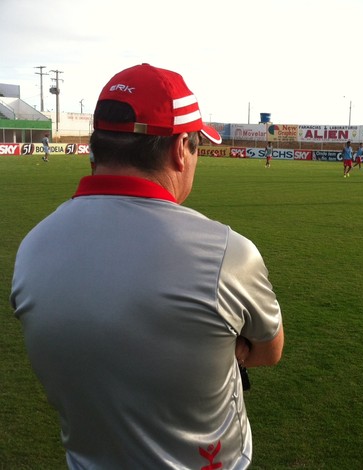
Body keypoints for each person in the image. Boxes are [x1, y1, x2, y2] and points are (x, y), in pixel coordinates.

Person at [10, 64, 284, 469]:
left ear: (96, 146)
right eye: (196, 148)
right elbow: (267, 351)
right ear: (179, 150)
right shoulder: (226, 252)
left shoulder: (32, 247)